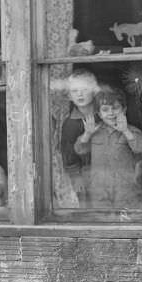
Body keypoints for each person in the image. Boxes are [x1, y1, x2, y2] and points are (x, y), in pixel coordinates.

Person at [74, 87, 142, 208]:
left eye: (116, 108)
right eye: (105, 110)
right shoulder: (94, 132)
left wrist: (125, 130)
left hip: (125, 189)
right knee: (103, 220)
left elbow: (140, 148)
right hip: (99, 189)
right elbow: (79, 149)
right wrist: (87, 133)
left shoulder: (132, 131)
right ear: (99, 113)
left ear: (124, 110)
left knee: (125, 221)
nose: (111, 113)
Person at [59, 69, 100, 205]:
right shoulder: (70, 123)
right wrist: (76, 176)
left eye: (85, 89)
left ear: (94, 91)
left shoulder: (103, 114)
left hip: (105, 168)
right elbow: (68, 152)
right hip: (84, 172)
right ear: (69, 96)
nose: (80, 94)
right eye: (75, 91)